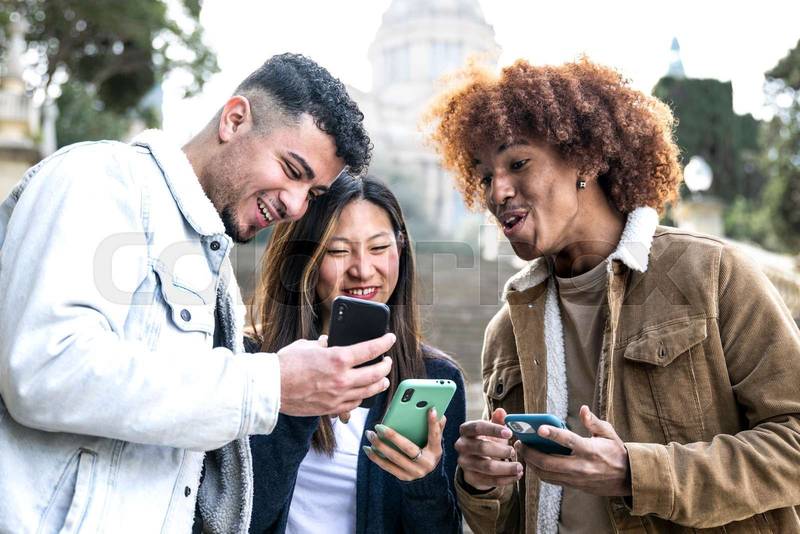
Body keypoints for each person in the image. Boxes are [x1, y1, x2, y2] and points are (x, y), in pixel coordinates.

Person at [0, 53, 396, 534]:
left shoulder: (217, 270)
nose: (295, 206)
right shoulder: (99, 177)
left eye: (312, 194)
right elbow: (45, 369)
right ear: (234, 120)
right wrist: (270, 385)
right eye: (292, 170)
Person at [424, 58, 800, 532]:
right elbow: (501, 518)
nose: (497, 191)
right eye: (483, 176)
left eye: (518, 162)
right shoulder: (507, 329)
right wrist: (482, 483)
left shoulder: (709, 273)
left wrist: (634, 472)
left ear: (586, 158)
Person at [246, 174, 465, 533]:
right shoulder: (253, 362)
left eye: (379, 248)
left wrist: (422, 482)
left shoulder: (434, 378)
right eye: (337, 250)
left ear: (401, 250)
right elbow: (238, 517)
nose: (362, 270)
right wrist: (300, 403)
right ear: (305, 259)